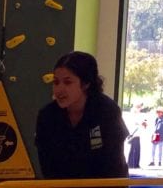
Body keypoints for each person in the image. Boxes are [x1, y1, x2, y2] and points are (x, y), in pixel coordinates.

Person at [34, 51, 129, 179]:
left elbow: (113, 165)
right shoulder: (47, 116)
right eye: (56, 82)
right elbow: (48, 167)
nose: (59, 89)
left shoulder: (107, 111)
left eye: (67, 82)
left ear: (85, 84)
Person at [125, 103, 144, 169]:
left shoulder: (137, 114)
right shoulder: (133, 113)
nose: (140, 108)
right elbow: (134, 123)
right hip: (134, 134)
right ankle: (132, 164)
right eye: (139, 107)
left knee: (136, 149)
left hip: (137, 134)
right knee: (134, 149)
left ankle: (135, 164)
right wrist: (140, 123)